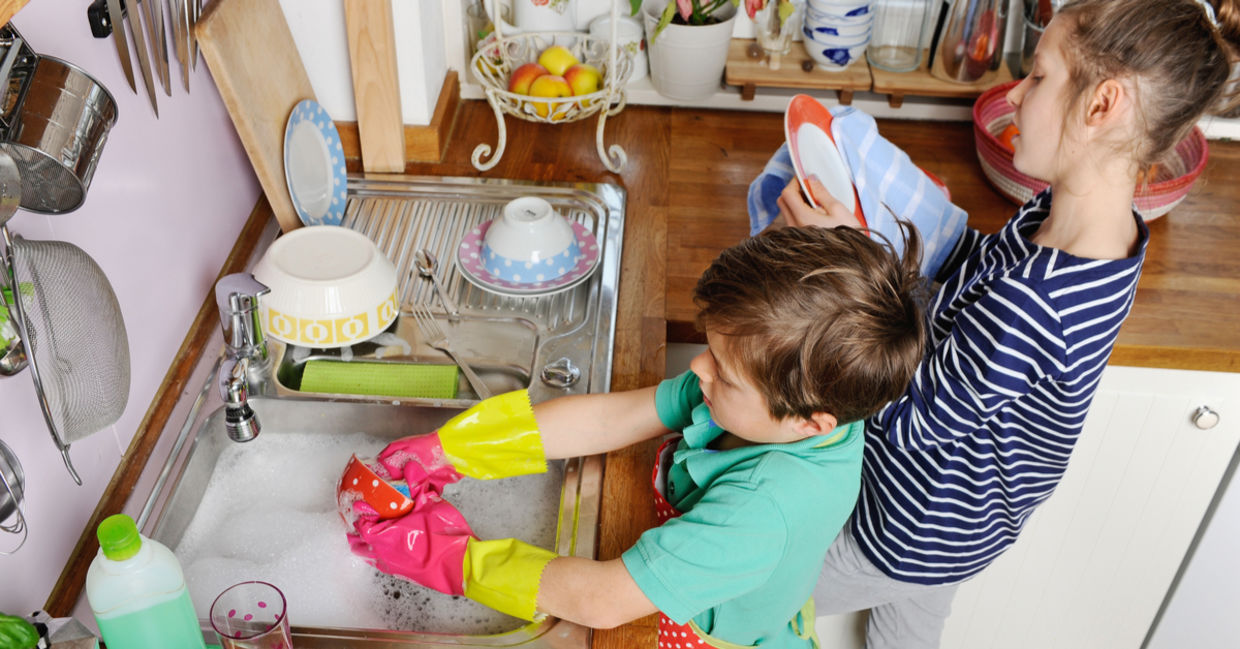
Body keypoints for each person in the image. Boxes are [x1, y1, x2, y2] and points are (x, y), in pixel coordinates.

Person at [773, 1, 1240, 647]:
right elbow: (968, 274)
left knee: (738, 596)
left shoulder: (1036, 300)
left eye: (1039, 76)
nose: (1015, 94)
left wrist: (851, 263)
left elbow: (903, 412)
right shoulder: (1084, 224)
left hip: (907, 525)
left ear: (1102, 105)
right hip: (969, 513)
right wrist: (878, 229)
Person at [345, 225, 926, 648]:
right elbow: (611, 419)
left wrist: (450, 560)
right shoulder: (795, 399)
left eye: (723, 371)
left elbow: (603, 600)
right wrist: (454, 449)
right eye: (710, 349)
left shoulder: (760, 510)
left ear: (810, 422)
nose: (699, 368)